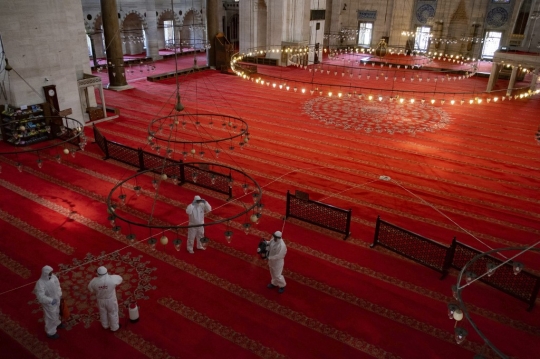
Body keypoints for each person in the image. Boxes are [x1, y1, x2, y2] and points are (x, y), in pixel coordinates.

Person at [88, 266, 123, 332]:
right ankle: (114, 327)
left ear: (97, 273)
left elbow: (90, 288)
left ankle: (105, 325)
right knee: (113, 313)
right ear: (106, 272)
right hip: (111, 300)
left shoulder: (94, 281)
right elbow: (120, 279)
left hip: (100, 300)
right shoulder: (112, 279)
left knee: (103, 313)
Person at [34, 265, 63, 339]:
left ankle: (57, 323)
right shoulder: (40, 283)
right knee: (51, 317)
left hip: (56, 298)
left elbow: (58, 285)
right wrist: (50, 300)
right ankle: (50, 332)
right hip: (49, 303)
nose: (51, 273)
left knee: (57, 312)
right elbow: (40, 296)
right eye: (50, 272)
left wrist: (59, 294)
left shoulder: (53, 277)